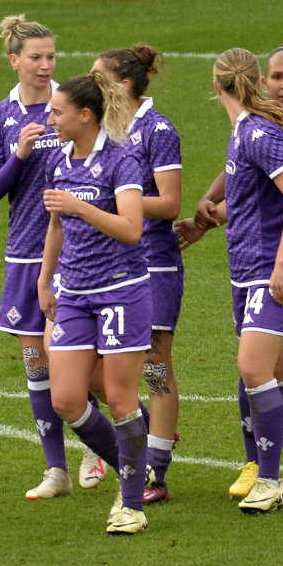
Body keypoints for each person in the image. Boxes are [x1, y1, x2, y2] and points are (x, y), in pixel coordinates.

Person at [177, 45, 283, 500]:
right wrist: (209, 219)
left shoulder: (258, 134)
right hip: (246, 269)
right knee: (280, 371)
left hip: (269, 271)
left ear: (215, 86)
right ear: (258, 81)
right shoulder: (244, 131)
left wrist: (282, 265)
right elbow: (253, 202)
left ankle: (266, 479)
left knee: (252, 368)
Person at [37, 71, 152, 534]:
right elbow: (55, 226)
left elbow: (132, 228)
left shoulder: (122, 160)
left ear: (85, 116)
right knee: (65, 397)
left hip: (123, 288)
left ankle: (131, 506)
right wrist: (45, 280)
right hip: (75, 293)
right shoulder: (59, 159)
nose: (50, 117)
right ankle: (135, 465)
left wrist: (79, 205)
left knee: (122, 397)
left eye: (58, 111)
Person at [0, 15, 76, 500]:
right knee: (38, 366)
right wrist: (17, 154)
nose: (44, 65)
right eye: (35, 57)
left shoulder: (74, 105)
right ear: (14, 61)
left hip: (79, 252)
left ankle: (106, 450)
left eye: (51, 57)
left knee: (82, 367)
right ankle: (56, 470)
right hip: (25, 255)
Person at [92, 44, 182, 504]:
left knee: (153, 368)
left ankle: (156, 473)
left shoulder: (157, 130)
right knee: (91, 367)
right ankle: (149, 433)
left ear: (123, 85)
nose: (89, 82)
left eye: (97, 76)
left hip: (153, 261)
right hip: (107, 264)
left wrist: (113, 198)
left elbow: (169, 203)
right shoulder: (104, 128)